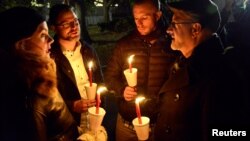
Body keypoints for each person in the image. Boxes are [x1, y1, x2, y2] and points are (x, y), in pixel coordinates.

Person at [154, 0, 250, 140]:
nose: (168, 29)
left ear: (195, 29)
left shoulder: (219, 77)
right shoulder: (184, 63)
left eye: (175, 24)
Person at [0, 7, 79, 141]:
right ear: (22, 45)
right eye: (43, 35)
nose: (51, 40)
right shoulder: (29, 95)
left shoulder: (40, 77)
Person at [104, 0, 179, 140]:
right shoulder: (124, 45)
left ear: (157, 15)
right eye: (136, 19)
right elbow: (109, 77)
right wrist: (122, 89)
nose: (139, 23)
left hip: (160, 125)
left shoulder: (172, 45)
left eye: (144, 18)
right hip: (128, 126)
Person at [48, 4, 104, 134]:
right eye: (66, 24)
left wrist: (100, 99)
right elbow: (47, 99)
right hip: (68, 126)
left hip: (95, 120)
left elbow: (100, 80)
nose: (74, 27)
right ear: (54, 27)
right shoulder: (51, 57)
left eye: (75, 21)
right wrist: (72, 105)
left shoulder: (88, 50)